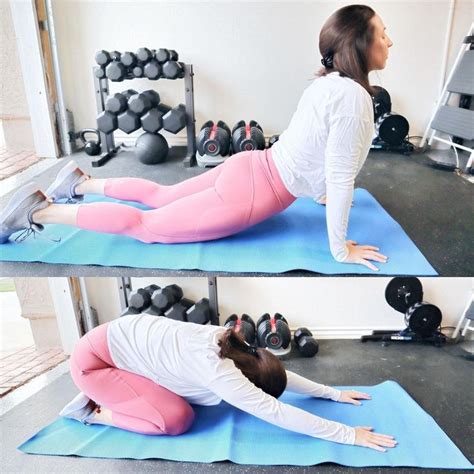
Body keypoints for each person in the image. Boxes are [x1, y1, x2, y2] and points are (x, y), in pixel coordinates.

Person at [0, 5, 392, 271]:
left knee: (161, 196)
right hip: (255, 193)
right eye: (383, 34)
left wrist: (318, 190)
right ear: (361, 44)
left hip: (250, 165)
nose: (389, 42)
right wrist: (341, 249)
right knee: (145, 226)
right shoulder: (353, 98)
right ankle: (38, 212)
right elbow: (340, 176)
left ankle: (82, 184)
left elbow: (312, 147)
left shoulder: (329, 84)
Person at [60, 314, 397, 452]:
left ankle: (118, 392)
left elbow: (275, 372)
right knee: (176, 420)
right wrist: (349, 434)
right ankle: (91, 410)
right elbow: (278, 412)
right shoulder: (220, 374)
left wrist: (332, 394)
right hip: (93, 365)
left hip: (113, 342)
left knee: (188, 396)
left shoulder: (234, 344)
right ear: (246, 382)